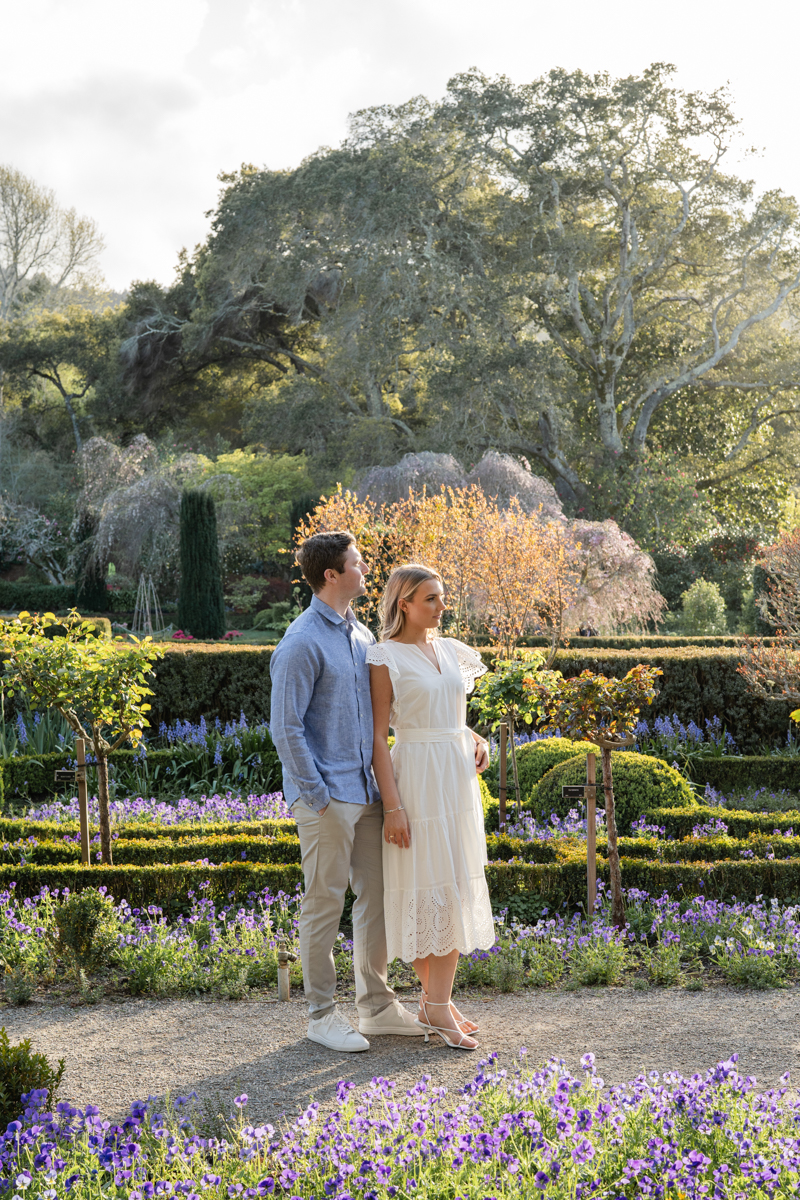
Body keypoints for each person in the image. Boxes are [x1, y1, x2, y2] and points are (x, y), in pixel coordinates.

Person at [269, 531, 422, 1052]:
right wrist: (316, 795)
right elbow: (284, 728)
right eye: (357, 563)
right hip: (328, 798)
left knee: (375, 897)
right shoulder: (301, 641)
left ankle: (375, 1007)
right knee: (324, 903)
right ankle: (320, 1015)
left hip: (369, 793)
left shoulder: (361, 637)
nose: (365, 569)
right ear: (332, 576)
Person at [367, 564, 496, 1051]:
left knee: (456, 884)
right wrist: (393, 806)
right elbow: (380, 736)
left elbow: (452, 715)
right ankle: (438, 1007)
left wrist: (475, 737)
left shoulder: (450, 650)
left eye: (442, 598)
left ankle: (434, 1001)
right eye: (431, 599)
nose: (442, 607)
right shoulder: (384, 657)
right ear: (404, 604)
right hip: (417, 781)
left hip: (457, 781)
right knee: (426, 886)